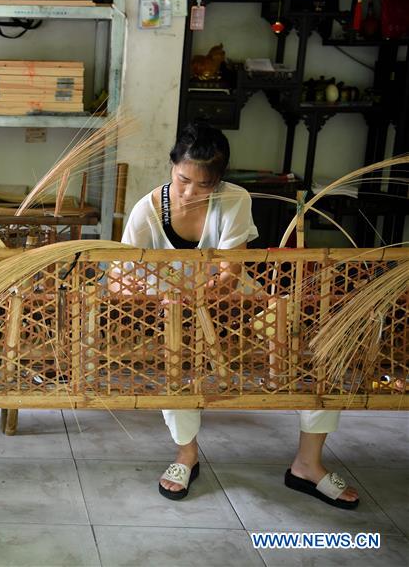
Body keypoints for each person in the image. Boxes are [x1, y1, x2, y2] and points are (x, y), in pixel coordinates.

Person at [119, 122, 359, 510]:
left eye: (203, 185)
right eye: (182, 180)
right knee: (177, 362)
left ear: (219, 183)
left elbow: (230, 274)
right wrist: (153, 297)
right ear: (172, 167)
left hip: (238, 308)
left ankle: (307, 465)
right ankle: (187, 455)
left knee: (308, 355)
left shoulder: (235, 200)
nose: (190, 193)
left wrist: (204, 297)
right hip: (173, 312)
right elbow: (124, 275)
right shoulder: (146, 211)